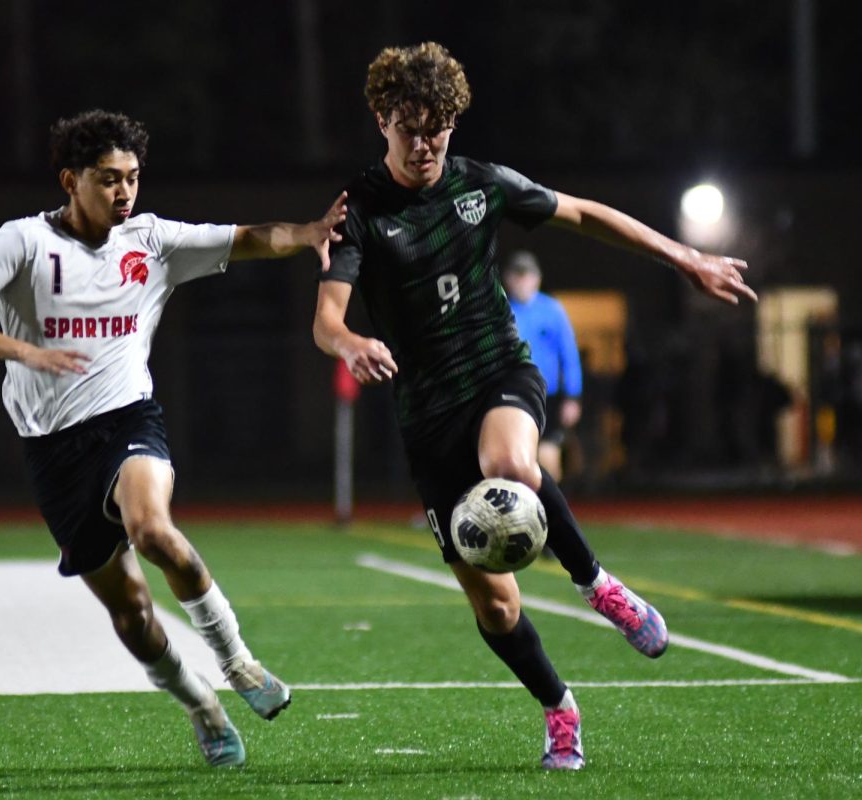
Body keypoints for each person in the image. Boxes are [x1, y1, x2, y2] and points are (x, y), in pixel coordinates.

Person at [313, 42, 755, 771]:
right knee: (498, 607)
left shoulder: (480, 185)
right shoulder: (359, 209)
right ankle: (559, 710)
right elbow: (325, 317)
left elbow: (581, 213)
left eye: (440, 127)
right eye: (410, 128)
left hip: (498, 372)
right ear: (380, 118)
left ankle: (598, 586)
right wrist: (348, 340)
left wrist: (687, 257)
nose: (426, 144)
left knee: (512, 462)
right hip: (428, 417)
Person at [0, 109, 347, 768]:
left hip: (128, 419)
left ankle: (237, 662)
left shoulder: (151, 240)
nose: (124, 192)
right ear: (71, 180)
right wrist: (24, 352)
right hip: (52, 451)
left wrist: (308, 233)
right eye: (108, 179)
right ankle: (200, 706)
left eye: (132, 178)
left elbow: (250, 239)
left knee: (153, 529)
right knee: (132, 615)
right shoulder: (22, 243)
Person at [502, 250, 582, 483]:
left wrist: (573, 397)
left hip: (548, 394)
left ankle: (547, 507)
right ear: (508, 279)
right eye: (517, 276)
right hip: (512, 392)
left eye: (527, 275)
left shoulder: (553, 310)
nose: (522, 281)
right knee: (513, 454)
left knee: (548, 453)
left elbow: (569, 355)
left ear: (537, 278)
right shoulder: (503, 309)